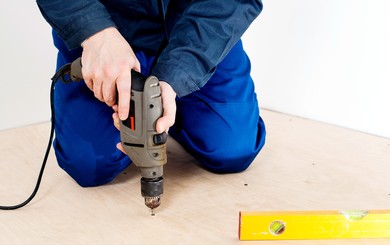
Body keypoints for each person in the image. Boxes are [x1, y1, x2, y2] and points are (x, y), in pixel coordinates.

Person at [36, 0, 266, 187]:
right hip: (104, 34)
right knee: (88, 165)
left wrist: (177, 73)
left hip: (201, 29)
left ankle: (177, 106)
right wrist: (95, 33)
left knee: (232, 150)